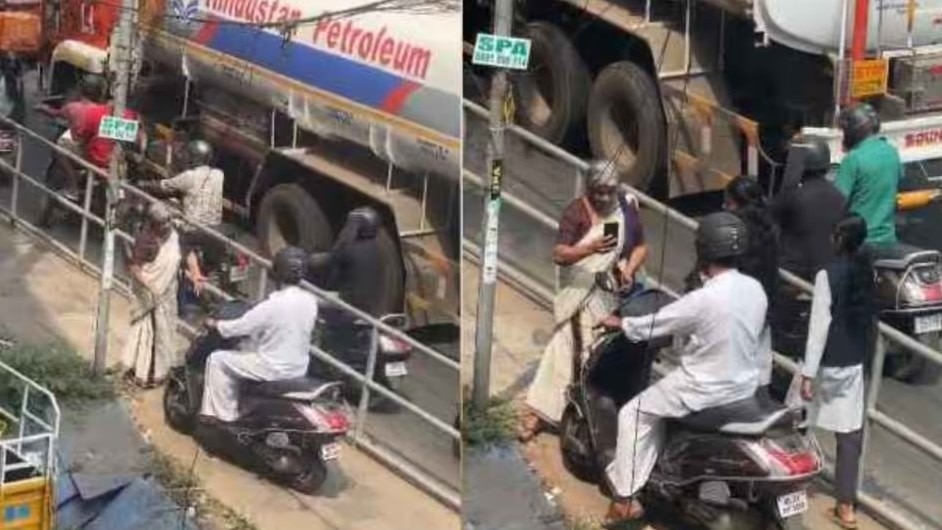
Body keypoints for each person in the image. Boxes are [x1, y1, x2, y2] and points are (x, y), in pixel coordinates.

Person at [599, 212, 766, 523]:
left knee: (633, 414)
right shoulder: (755, 289)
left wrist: (621, 322)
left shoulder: (704, 298)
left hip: (702, 388)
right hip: (743, 388)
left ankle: (625, 499)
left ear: (703, 250)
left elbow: (656, 324)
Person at [518, 161, 649, 442]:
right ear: (589, 189)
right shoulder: (576, 213)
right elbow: (559, 254)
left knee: (595, 353)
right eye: (598, 192)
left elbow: (639, 247)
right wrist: (587, 248)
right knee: (571, 350)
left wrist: (627, 270)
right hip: (579, 293)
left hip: (610, 294)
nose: (603, 198)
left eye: (609, 192)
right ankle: (547, 411)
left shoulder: (624, 210)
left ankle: (572, 409)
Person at [797, 213, 875, 530]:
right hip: (854, 363)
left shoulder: (826, 275)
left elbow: (818, 327)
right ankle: (846, 508)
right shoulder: (866, 272)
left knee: (800, 421)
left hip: (827, 362)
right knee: (849, 435)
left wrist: (807, 374)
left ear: (838, 239)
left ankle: (792, 485)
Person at [200, 246, 318, 423]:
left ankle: (222, 417)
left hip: (272, 367)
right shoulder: (311, 301)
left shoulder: (272, 305)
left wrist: (216, 324)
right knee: (250, 348)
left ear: (277, 271)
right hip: (298, 366)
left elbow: (241, 327)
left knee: (218, 359)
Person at [137, 139, 224, 308]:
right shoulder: (219, 175)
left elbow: (165, 186)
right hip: (216, 229)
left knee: (178, 246)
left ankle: (189, 284)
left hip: (194, 229)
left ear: (193, 158)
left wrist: (143, 184)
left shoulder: (189, 177)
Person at [723, 176, 779, 392]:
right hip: (764, 306)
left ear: (735, 203)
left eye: (727, 203)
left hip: (737, 309)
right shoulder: (769, 227)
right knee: (760, 364)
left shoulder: (733, 231)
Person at [121, 202, 182, 387]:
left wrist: (194, 273)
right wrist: (151, 287)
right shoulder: (145, 240)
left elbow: (183, 254)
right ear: (153, 224)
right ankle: (147, 375)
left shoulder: (173, 236)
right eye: (162, 223)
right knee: (151, 333)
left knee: (166, 332)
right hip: (150, 296)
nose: (167, 226)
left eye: (168, 222)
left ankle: (161, 371)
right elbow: (134, 268)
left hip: (168, 294)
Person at [771, 138, 847, 282]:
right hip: (829, 271)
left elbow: (767, 221)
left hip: (795, 274)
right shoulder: (839, 196)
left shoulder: (792, 197)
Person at [835, 103, 900, 246]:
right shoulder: (891, 152)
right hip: (888, 240)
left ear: (853, 131)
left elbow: (836, 202)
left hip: (859, 243)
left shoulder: (853, 159)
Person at [322, 206, 388, 317]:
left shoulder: (348, 250)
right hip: (371, 305)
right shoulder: (378, 249)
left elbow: (330, 272)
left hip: (347, 303)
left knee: (308, 298)